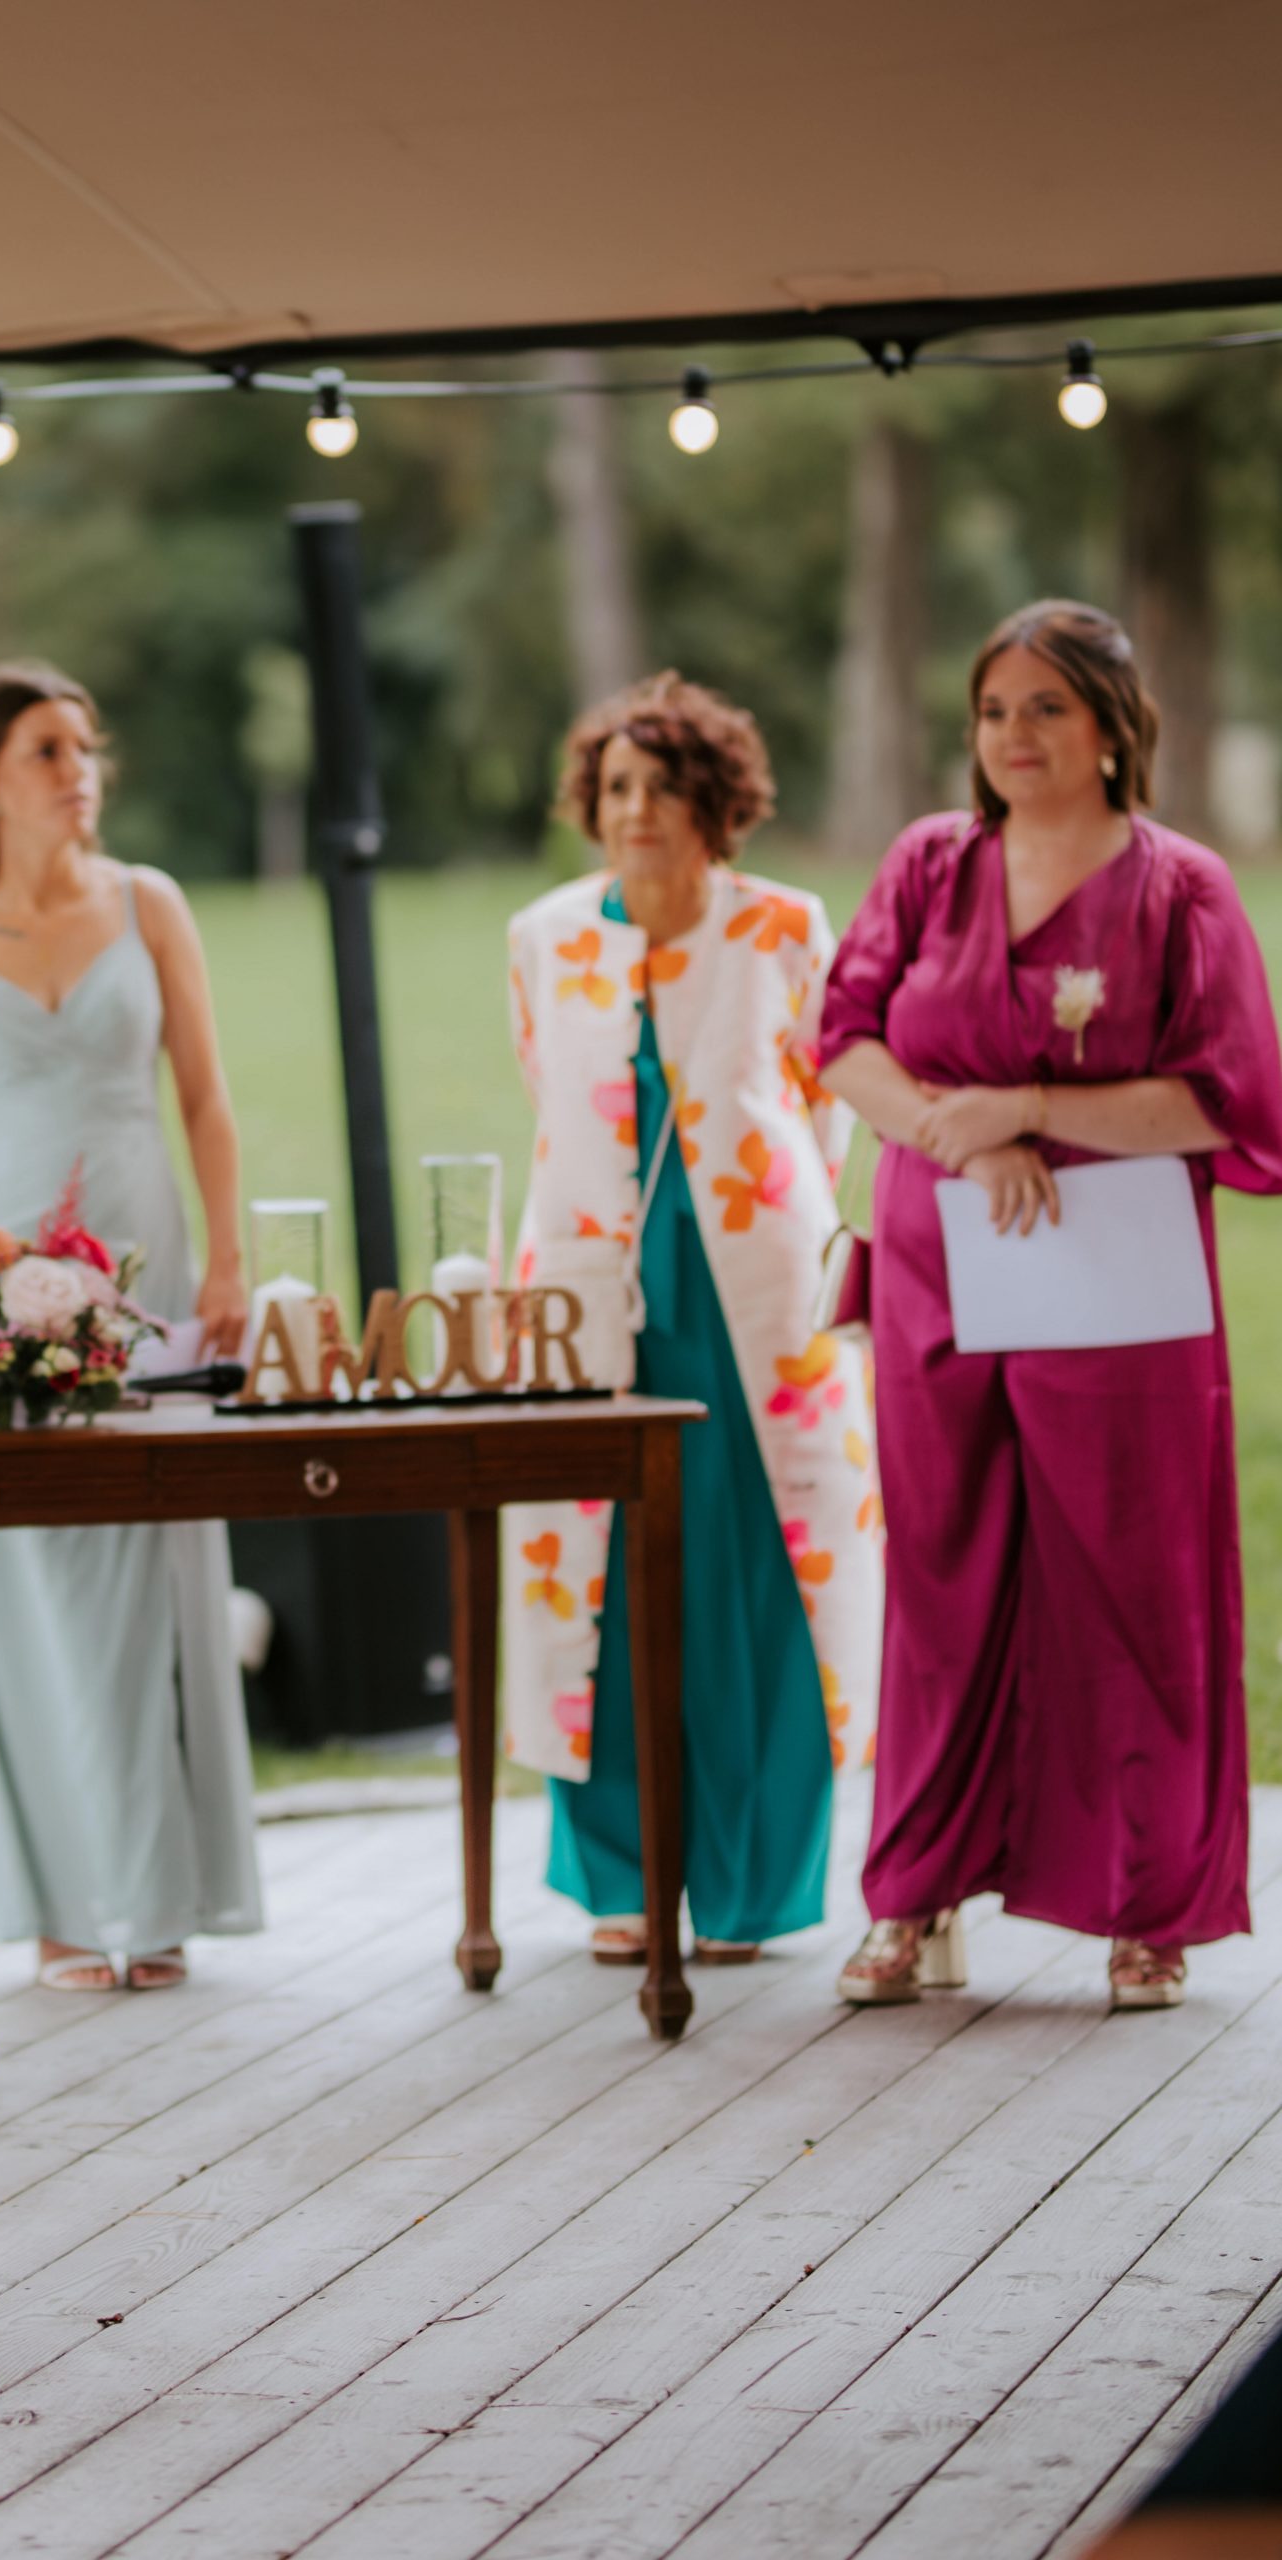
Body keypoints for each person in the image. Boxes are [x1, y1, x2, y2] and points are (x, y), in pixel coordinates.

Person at [817, 601, 1282, 2012]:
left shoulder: (1182, 889)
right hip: (940, 1273)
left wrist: (1030, 1106)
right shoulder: (929, 863)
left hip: (1119, 1282)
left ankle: (1152, 1908)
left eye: (1047, 709)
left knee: (1136, 1579)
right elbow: (845, 1038)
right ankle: (914, 1895)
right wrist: (961, 1136)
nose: (1013, 735)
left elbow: (1227, 1102)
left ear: (1113, 730)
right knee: (942, 1576)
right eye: (993, 710)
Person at [0, 660, 263, 1990]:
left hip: (146, 1267)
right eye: (47, 749)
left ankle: (156, 1898)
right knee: (29, 1587)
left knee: (153, 1567)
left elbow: (205, 1096)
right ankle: (56, 1907)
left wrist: (228, 1259)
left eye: (86, 748)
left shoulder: (150, 903)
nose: (77, 771)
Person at [503, 673, 883, 1963]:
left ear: (716, 800)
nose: (640, 809)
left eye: (666, 785)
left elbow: (821, 1105)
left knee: (759, 1574)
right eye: (618, 785)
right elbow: (547, 1095)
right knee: (593, 1575)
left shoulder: (783, 926)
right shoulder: (543, 936)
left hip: (755, 1309)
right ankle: (622, 1872)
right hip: (590, 1299)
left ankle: (751, 1883)